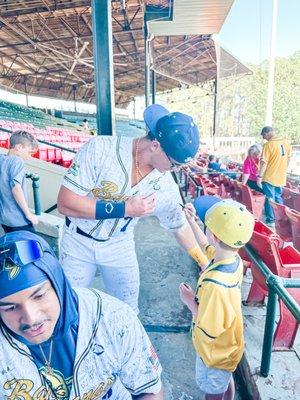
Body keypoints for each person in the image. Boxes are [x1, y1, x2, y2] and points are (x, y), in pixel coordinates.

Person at [57, 104, 207, 313]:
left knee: (128, 310)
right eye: (174, 163)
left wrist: (204, 262)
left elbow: (178, 225)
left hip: (120, 243)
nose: (176, 170)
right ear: (155, 145)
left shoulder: (165, 183)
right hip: (77, 240)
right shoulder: (101, 148)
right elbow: (66, 202)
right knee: (69, 307)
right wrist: (124, 208)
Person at [0, 231, 163, 399]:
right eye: (10, 307)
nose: (31, 319)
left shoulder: (112, 318)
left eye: (39, 296)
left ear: (58, 284)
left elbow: (149, 390)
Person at [179, 195, 254, 400]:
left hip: (215, 353)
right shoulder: (233, 259)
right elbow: (206, 247)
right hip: (229, 345)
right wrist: (192, 222)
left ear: (214, 236)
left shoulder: (214, 285)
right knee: (223, 381)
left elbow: (208, 326)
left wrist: (189, 300)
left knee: (212, 391)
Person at [0, 130, 39, 233]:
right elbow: (16, 188)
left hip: (5, 219)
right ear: (19, 147)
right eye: (29, 153)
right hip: (19, 220)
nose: (29, 157)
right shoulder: (17, 161)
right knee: (30, 246)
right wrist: (28, 214)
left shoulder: (2, 159)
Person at [257, 126, 291, 226]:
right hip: (281, 177)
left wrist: (259, 177)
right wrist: (282, 171)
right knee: (278, 198)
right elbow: (288, 159)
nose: (264, 138)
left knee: (269, 198)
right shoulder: (286, 142)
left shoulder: (268, 145)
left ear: (267, 133)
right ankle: (281, 219)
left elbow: (264, 162)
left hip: (269, 177)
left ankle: (270, 220)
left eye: (264, 135)